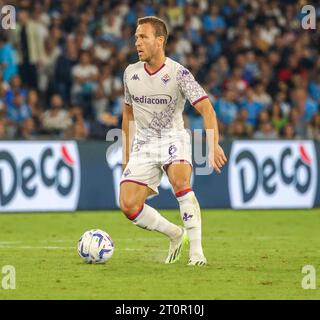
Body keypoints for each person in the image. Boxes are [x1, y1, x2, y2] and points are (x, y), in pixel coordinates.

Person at [120, 16, 227, 266]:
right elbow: (128, 114)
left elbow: (207, 110)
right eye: (136, 37)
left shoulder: (179, 74)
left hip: (172, 138)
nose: (137, 42)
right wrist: (127, 155)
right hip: (144, 145)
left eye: (142, 37)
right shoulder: (130, 73)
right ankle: (175, 234)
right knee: (128, 205)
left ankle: (197, 253)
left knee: (180, 182)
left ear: (160, 41)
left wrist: (214, 145)